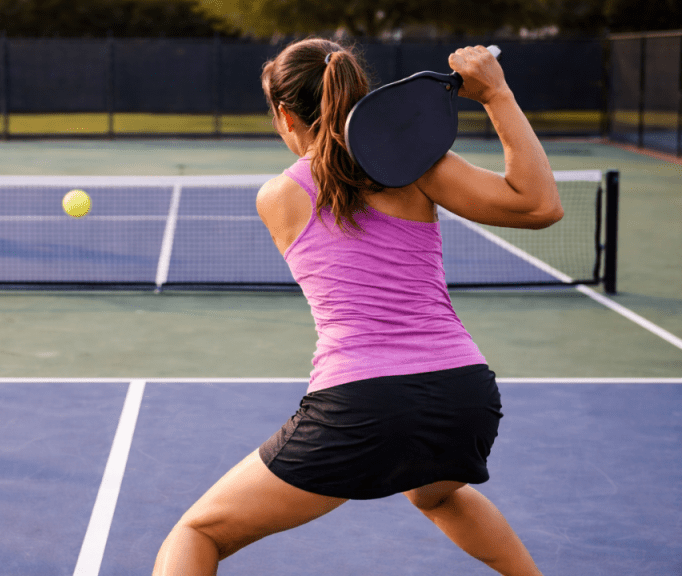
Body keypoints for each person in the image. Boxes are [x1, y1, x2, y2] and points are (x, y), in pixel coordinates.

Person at [153, 40, 561, 576]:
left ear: (283, 114)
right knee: (436, 495)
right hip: (463, 396)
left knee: (198, 534)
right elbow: (540, 205)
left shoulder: (278, 197)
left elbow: (332, 177)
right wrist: (497, 94)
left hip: (361, 404)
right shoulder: (418, 164)